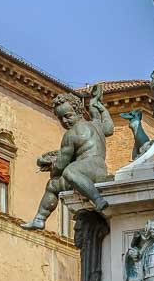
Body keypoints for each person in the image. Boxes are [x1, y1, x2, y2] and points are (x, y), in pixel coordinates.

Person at [21, 85, 114, 227]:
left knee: (65, 174)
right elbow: (109, 128)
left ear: (79, 112)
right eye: (60, 118)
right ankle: (39, 219)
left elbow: (60, 166)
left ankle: (97, 200)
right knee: (55, 184)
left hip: (86, 170)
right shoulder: (95, 125)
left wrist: (50, 165)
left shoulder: (70, 135)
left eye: (67, 116)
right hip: (100, 169)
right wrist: (100, 107)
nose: (64, 121)